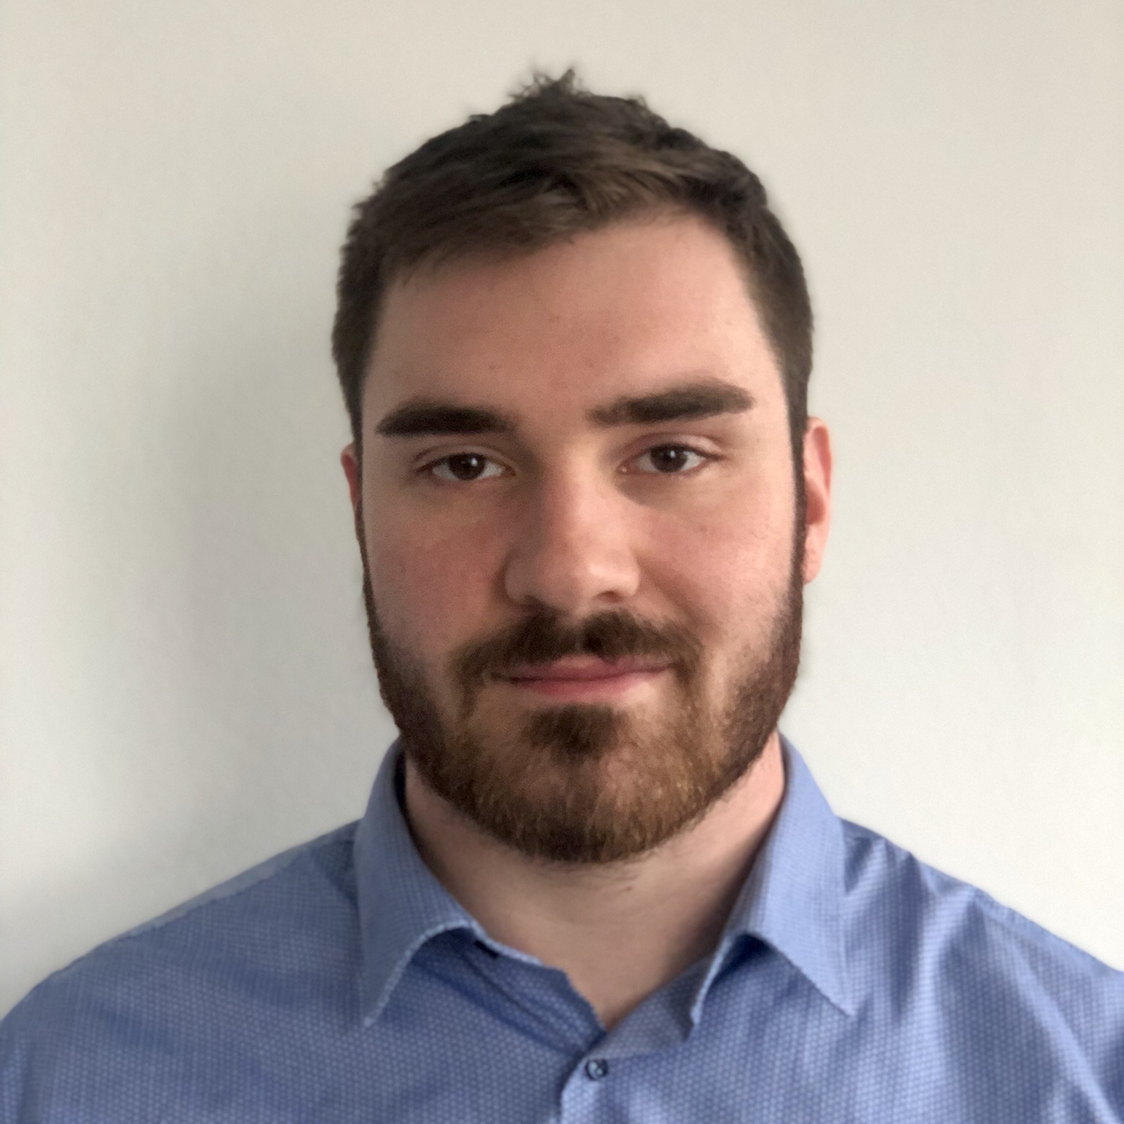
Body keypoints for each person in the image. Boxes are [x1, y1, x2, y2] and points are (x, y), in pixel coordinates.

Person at [2, 72, 1121, 1123]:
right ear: (360, 513)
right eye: (463, 465)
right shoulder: (73, 1075)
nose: (569, 569)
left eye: (671, 455)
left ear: (811, 501)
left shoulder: (1080, 1073)